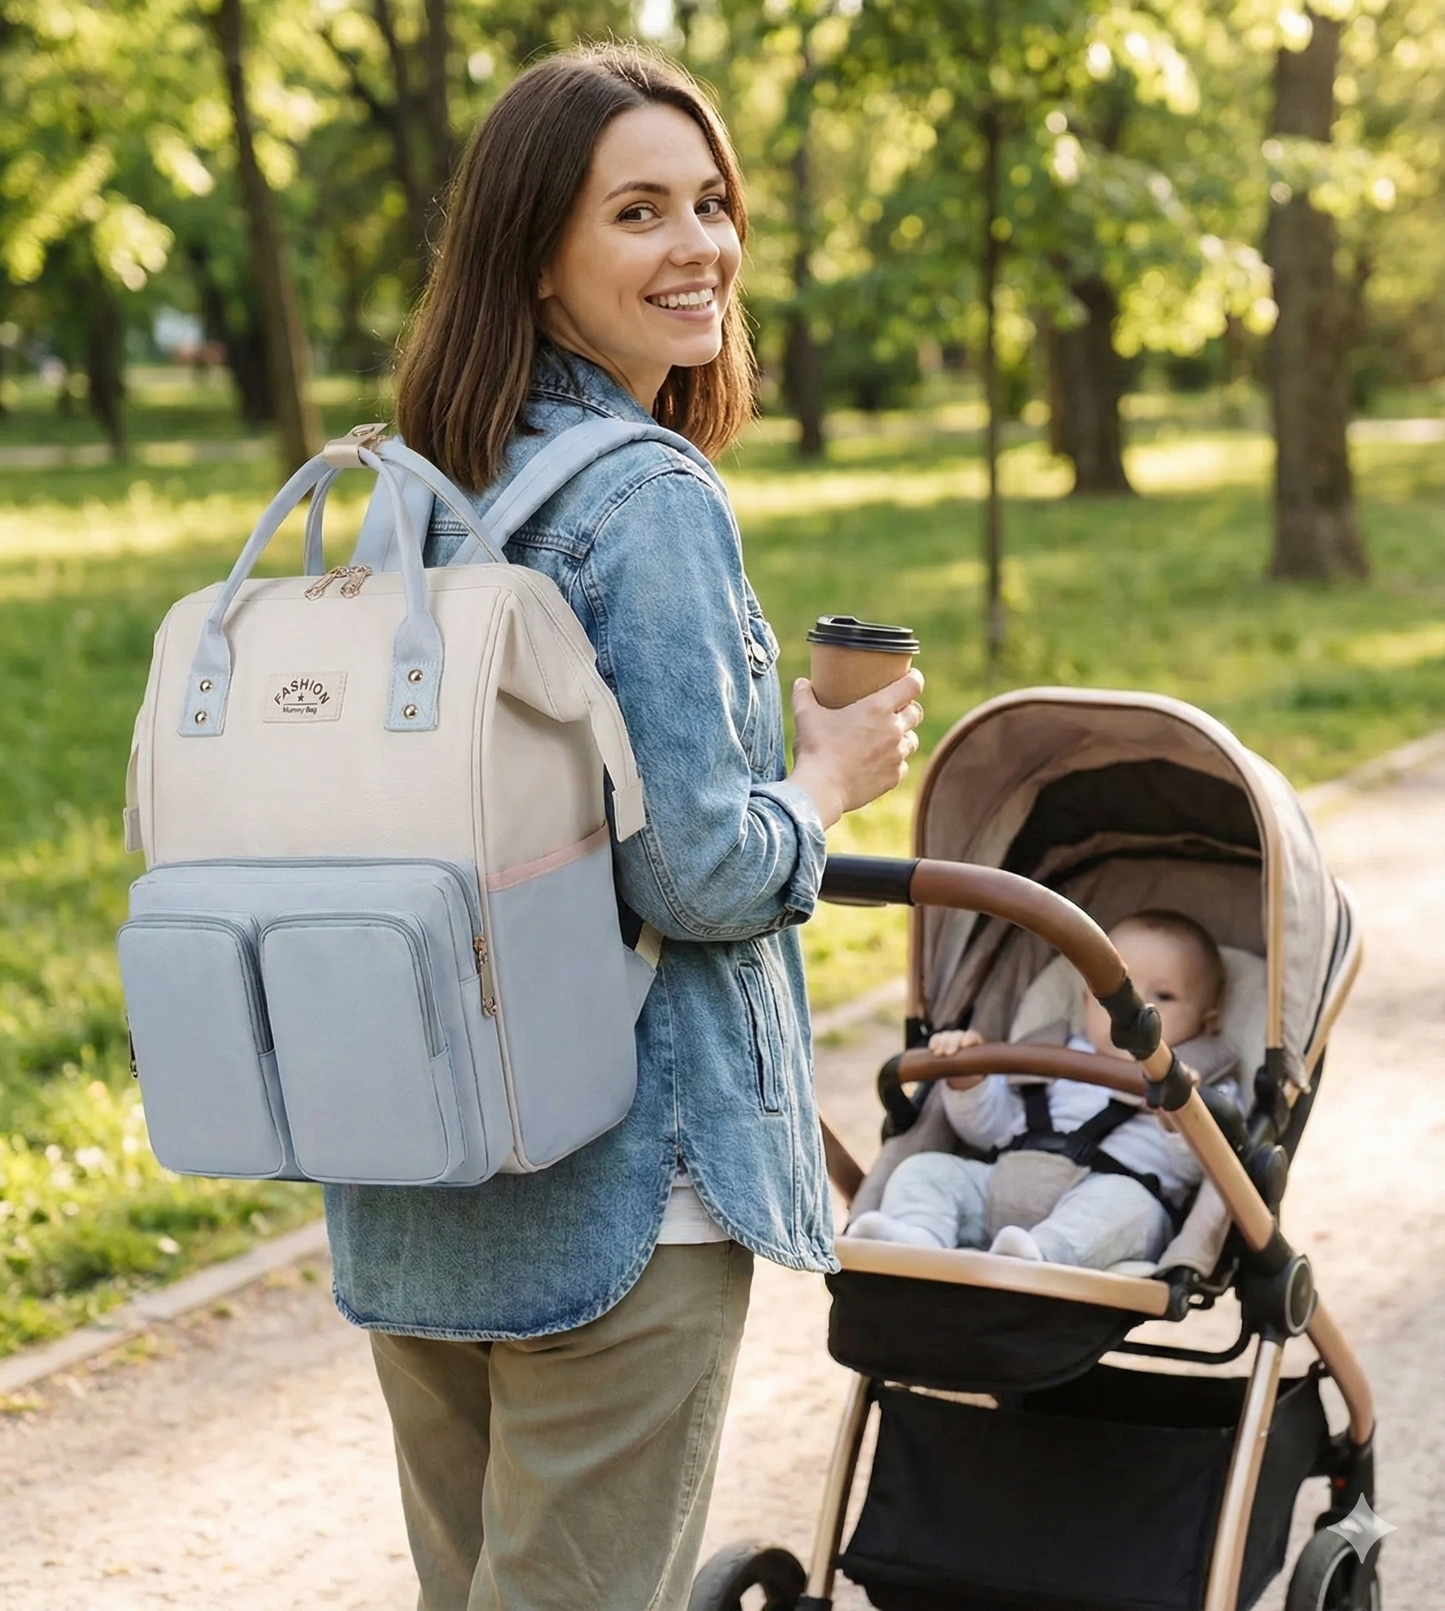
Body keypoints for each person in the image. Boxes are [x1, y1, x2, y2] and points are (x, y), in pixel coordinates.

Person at [322, 45, 924, 1611]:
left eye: (710, 203)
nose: (699, 246)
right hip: (618, 1189)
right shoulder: (645, 495)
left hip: (419, 1158)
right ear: (538, 261)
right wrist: (828, 780)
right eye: (639, 212)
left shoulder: (413, 491)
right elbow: (700, 868)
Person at [849, 911, 1237, 1269]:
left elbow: (1201, 1171)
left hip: (1110, 1196)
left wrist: (1178, 1117)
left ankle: (1042, 1255)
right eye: (1117, 994)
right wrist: (967, 1080)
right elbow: (989, 1130)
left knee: (1126, 1208)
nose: (1133, 1012)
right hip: (1005, 1184)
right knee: (924, 1170)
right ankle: (917, 1240)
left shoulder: (1203, 1080)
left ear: (1209, 1021)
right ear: (1086, 1001)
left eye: (1163, 997)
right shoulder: (1049, 1054)